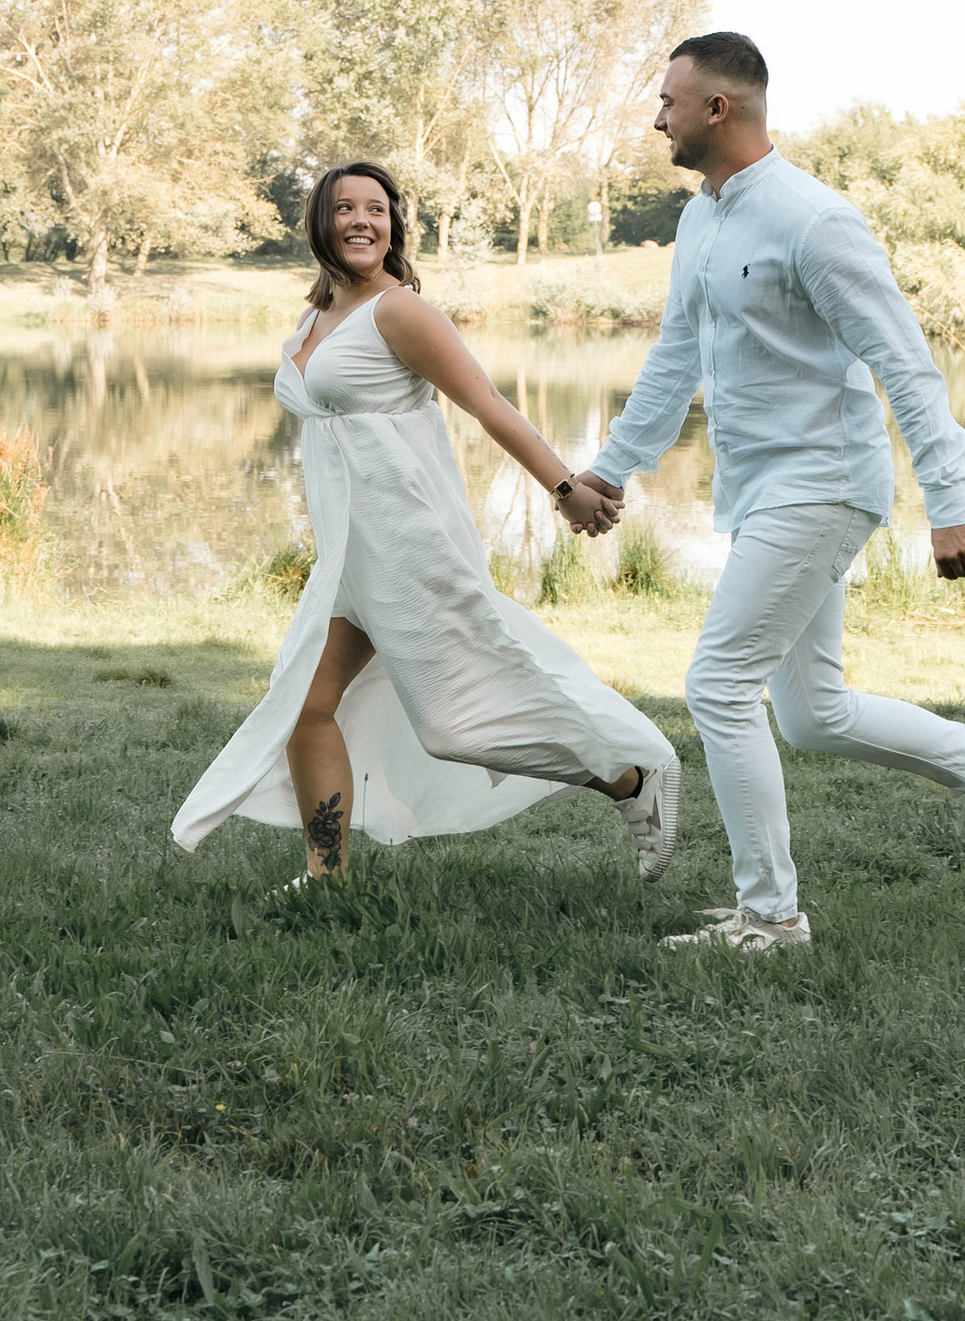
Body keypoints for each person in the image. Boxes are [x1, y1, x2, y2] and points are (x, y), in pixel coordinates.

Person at [574, 31, 965, 953]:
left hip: (824, 483)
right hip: (758, 489)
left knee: (720, 685)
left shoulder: (814, 220)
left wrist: (949, 498)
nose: (658, 119)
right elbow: (675, 358)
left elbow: (905, 363)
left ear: (717, 109)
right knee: (813, 715)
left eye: (668, 102)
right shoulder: (700, 220)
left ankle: (771, 917)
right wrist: (611, 468)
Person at [170, 161, 682, 883]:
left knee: (451, 725)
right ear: (319, 221)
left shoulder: (399, 312)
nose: (360, 221)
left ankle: (630, 779)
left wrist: (562, 487)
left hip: (406, 543)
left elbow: (488, 405)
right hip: (350, 555)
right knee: (308, 710)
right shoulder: (316, 316)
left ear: (393, 227)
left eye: (376, 210)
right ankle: (327, 879)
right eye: (344, 207)